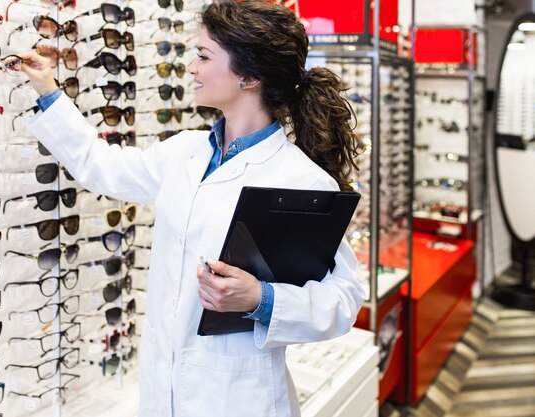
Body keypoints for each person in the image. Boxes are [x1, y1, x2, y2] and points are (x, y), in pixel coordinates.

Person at [18, 1, 365, 416]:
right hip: (162, 390)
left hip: (239, 398)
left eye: (203, 56)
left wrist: (261, 299)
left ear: (249, 76)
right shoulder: (184, 151)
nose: (192, 68)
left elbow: (344, 298)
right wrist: (48, 91)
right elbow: (101, 167)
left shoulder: (300, 179)